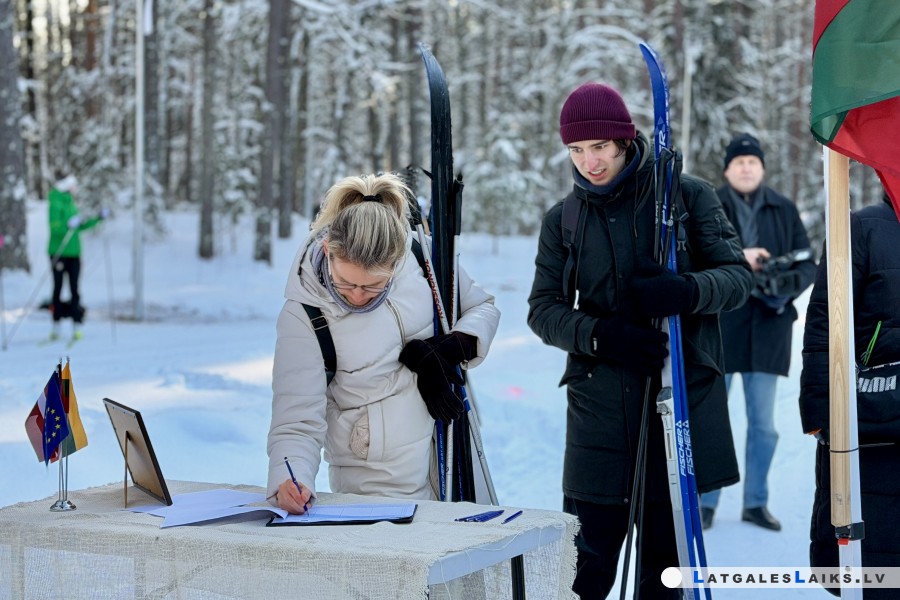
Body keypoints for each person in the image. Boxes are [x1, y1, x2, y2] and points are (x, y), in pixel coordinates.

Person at [527, 82, 752, 599]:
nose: (589, 163)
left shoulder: (686, 197)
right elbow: (542, 311)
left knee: (665, 575)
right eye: (576, 150)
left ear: (625, 141)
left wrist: (686, 290)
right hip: (598, 417)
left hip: (675, 406)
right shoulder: (564, 219)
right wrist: (601, 336)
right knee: (582, 573)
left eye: (600, 147)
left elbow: (738, 279)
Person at [267, 172, 500, 514]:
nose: (358, 296)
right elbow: (296, 418)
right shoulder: (304, 313)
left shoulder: (421, 256)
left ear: (396, 261)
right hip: (373, 478)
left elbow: (482, 308)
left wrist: (448, 349)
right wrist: (290, 479)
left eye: (374, 286)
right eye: (346, 283)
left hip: (447, 449)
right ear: (328, 250)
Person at [699, 133, 816, 532]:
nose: (746, 168)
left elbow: (807, 264)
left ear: (762, 168)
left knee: (764, 425)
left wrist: (783, 287)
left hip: (768, 327)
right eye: (739, 162)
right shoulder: (708, 206)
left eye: (753, 161)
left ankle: (755, 502)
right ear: (727, 169)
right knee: (713, 421)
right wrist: (738, 260)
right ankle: (706, 502)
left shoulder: (784, 208)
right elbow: (693, 259)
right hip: (718, 329)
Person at [799, 191, 900, 598]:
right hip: (874, 423)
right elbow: (825, 320)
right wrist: (821, 410)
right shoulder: (860, 227)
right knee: (875, 564)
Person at [47, 173, 106, 341]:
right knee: (58, 288)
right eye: (73, 186)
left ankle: (76, 325)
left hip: (74, 253)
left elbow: (79, 227)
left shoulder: (72, 203)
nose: (75, 189)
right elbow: (55, 228)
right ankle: (56, 326)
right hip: (59, 253)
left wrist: (98, 219)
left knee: (75, 289)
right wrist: (67, 225)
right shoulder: (55, 203)